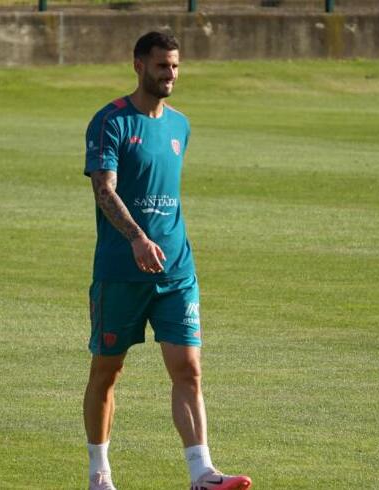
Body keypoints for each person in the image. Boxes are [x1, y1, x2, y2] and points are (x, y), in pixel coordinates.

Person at [83, 31, 252, 490]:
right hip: (121, 271)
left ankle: (202, 473)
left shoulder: (181, 124)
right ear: (139, 65)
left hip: (176, 270)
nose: (170, 74)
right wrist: (137, 238)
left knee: (188, 369)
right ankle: (100, 476)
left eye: (175, 66)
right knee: (107, 370)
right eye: (162, 66)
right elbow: (104, 190)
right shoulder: (111, 122)